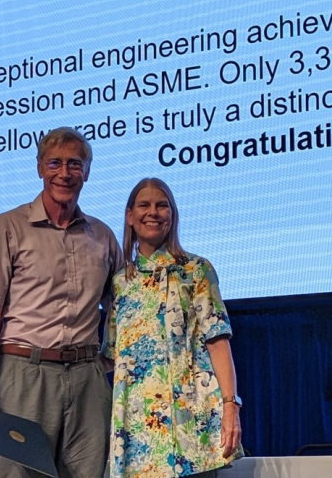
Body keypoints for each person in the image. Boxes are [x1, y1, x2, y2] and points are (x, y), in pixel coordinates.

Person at [0, 127, 123, 478]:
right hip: (24, 374)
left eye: (75, 164)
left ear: (87, 171)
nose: (64, 173)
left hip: (87, 380)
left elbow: (124, 310)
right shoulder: (7, 227)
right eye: (55, 163)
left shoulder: (102, 236)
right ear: (39, 168)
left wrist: (106, 363)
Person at [102, 177, 244, 478]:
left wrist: (231, 406)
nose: (153, 212)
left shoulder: (196, 270)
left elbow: (217, 341)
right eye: (144, 205)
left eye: (161, 205)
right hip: (136, 431)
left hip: (191, 421)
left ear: (172, 215)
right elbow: (111, 356)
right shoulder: (119, 283)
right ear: (129, 216)